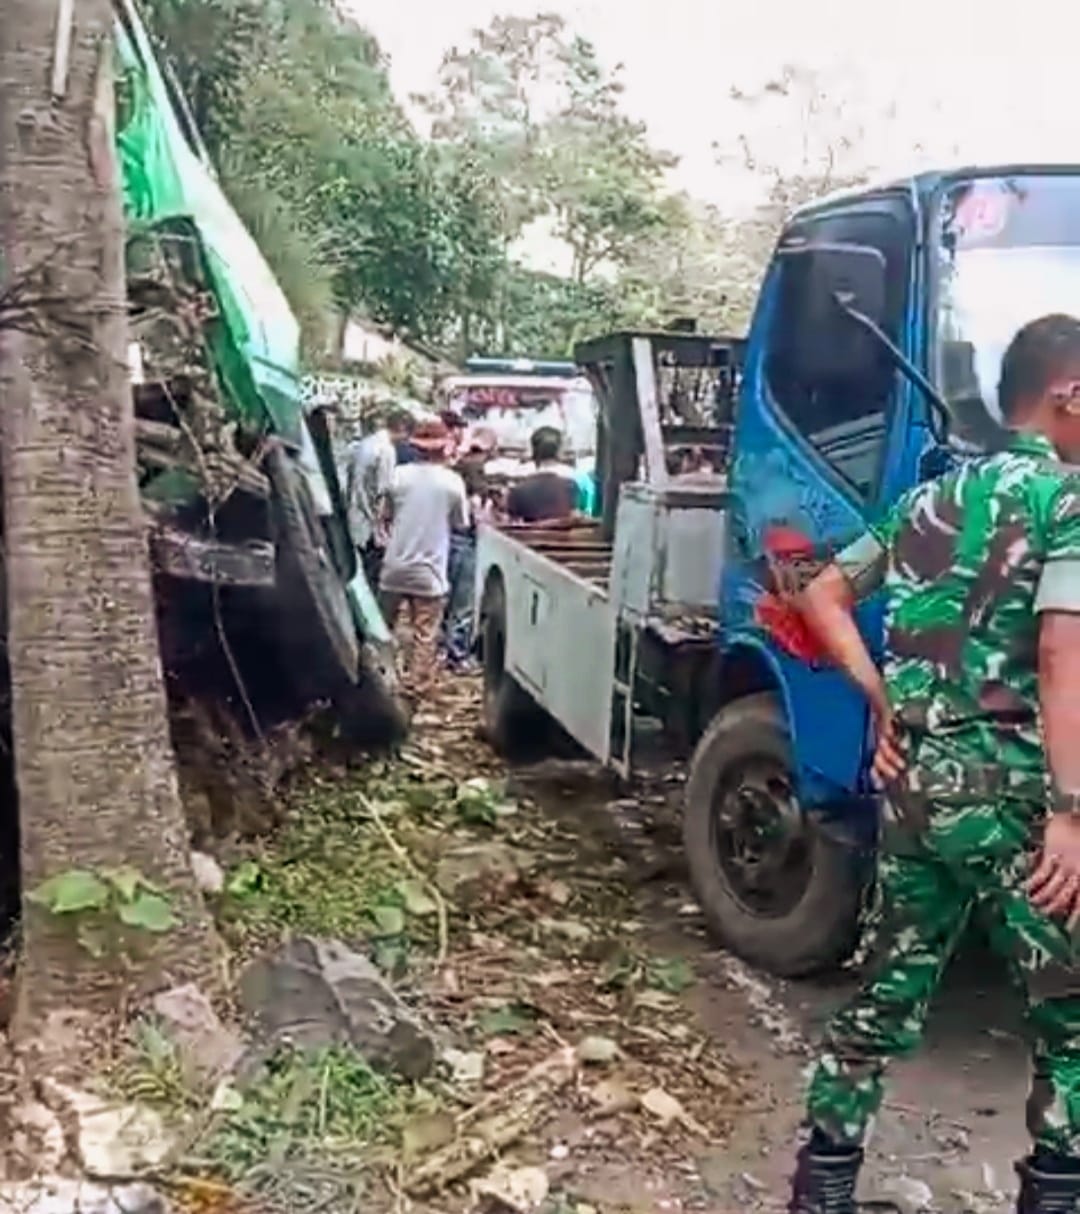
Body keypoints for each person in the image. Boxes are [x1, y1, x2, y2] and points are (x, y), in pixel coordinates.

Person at [786, 314, 1080, 1214]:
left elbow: (821, 592)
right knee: (1070, 1022)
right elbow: (1065, 655)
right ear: (1069, 398)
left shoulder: (929, 503)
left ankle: (821, 1189)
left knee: (885, 995)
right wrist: (1071, 810)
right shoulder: (1067, 502)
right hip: (1020, 801)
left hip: (914, 789)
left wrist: (884, 699)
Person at [378, 418, 468, 701]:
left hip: (395, 566)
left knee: (383, 628)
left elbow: (386, 515)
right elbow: (461, 524)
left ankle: (380, 678)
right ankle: (416, 688)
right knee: (425, 633)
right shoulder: (453, 483)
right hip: (430, 571)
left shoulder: (397, 476)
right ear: (444, 448)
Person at [346, 408, 414, 587]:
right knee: (372, 576)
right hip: (368, 525)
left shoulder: (365, 443)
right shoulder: (387, 451)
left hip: (353, 515)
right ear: (402, 430)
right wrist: (382, 529)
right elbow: (383, 493)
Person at [506, 426, 578, 523]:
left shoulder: (518, 477)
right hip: (562, 536)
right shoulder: (572, 478)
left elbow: (512, 518)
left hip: (527, 536)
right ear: (558, 451)